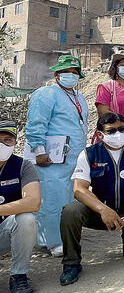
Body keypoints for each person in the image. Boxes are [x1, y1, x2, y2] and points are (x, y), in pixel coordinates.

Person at [59, 113, 124, 286]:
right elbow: (79, 189)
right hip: (103, 213)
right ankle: (71, 263)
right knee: (70, 212)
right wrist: (102, 209)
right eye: (111, 131)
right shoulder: (89, 154)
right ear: (100, 134)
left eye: (121, 129)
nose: (118, 134)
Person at [25, 55, 88, 258]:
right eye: (66, 72)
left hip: (74, 157)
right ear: (56, 74)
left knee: (70, 197)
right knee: (52, 199)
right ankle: (52, 241)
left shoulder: (79, 97)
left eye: (74, 73)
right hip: (52, 158)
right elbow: (36, 124)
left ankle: (67, 234)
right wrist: (39, 151)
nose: (70, 76)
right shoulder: (46, 94)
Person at [0, 119, 41, 293]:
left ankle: (19, 276)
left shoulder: (23, 166)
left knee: (26, 219)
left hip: (4, 232)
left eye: (7, 140)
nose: (2, 144)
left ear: (15, 142)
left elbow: (33, 202)